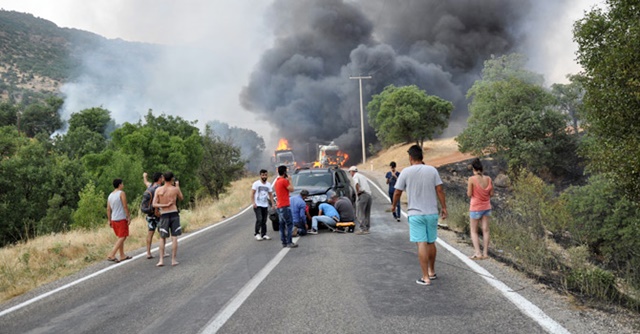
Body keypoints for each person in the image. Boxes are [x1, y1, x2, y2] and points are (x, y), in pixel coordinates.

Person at [392, 145, 447, 286]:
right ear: (422, 157)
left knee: (421, 243)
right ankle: (432, 272)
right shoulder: (432, 170)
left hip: (416, 214)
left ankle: (425, 278)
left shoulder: (406, 172)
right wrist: (444, 208)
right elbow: (439, 190)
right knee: (431, 242)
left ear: (410, 157)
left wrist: (393, 206)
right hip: (432, 213)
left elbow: (397, 192)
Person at [153, 171, 184, 267]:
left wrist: (164, 205)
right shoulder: (175, 189)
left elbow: (154, 204)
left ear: (163, 179)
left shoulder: (158, 190)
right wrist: (177, 186)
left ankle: (161, 260)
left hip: (164, 214)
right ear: (172, 179)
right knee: (174, 237)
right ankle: (173, 260)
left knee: (162, 237)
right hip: (174, 213)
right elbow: (181, 198)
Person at [467, 158, 494, 260]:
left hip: (475, 208)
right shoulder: (489, 179)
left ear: (474, 169)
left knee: (474, 231)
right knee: (486, 230)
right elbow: (491, 194)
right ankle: (485, 253)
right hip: (486, 207)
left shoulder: (471, 179)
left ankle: (478, 253)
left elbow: (469, 194)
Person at [106, 178, 131, 263]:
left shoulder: (110, 195)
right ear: (119, 185)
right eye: (122, 183)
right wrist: (128, 216)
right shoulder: (121, 193)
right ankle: (112, 254)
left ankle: (122, 255)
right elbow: (125, 206)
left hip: (114, 218)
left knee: (120, 236)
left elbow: (108, 209)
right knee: (123, 236)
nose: (123, 185)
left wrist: (109, 220)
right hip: (121, 218)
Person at [272, 165, 298, 248]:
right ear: (284, 173)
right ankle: (289, 242)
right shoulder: (284, 181)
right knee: (289, 224)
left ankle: (284, 242)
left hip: (279, 206)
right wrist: (290, 180)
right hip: (285, 205)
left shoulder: (277, 182)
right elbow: (292, 189)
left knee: (282, 225)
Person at [143, 172, 164, 259]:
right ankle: (162, 252)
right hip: (157, 214)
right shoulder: (159, 189)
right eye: (162, 177)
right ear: (159, 179)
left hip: (149, 213)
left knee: (150, 232)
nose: (163, 179)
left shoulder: (150, 186)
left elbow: (146, 182)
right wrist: (157, 211)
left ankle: (148, 252)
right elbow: (158, 201)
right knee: (161, 233)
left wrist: (144, 176)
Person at [251, 169, 274, 241]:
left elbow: (270, 195)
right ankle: (257, 233)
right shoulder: (256, 184)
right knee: (259, 219)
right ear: (260, 175)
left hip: (265, 204)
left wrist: (273, 203)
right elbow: (252, 193)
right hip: (257, 204)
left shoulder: (268, 184)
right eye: (263, 175)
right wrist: (253, 203)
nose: (264, 176)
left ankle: (264, 234)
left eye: (265, 175)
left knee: (264, 220)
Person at [348, 166, 372, 234]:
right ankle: (367, 228)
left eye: (350, 172)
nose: (350, 174)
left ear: (352, 171)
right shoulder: (362, 176)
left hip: (363, 195)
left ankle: (362, 229)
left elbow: (356, 184)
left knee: (360, 213)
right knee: (367, 213)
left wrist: (358, 192)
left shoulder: (355, 176)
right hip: (369, 195)